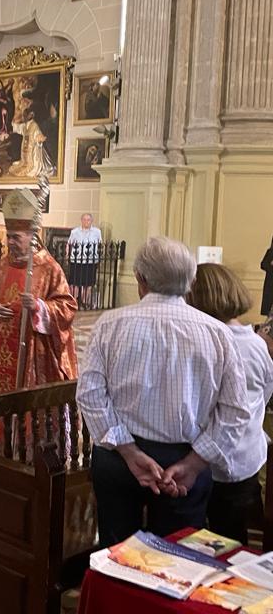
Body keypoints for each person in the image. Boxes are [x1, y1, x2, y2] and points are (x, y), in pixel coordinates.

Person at [76, 237, 250, 546]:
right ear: (191, 281)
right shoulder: (219, 334)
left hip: (119, 457)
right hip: (185, 457)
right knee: (178, 556)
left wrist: (129, 452)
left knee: (118, 553)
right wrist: (195, 463)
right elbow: (235, 411)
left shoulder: (109, 325)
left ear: (140, 279)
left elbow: (90, 395)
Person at [186, 263, 273, 545]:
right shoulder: (257, 344)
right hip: (245, 459)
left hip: (204, 462)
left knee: (198, 539)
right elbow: (265, 392)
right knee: (233, 540)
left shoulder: (203, 342)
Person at [0, 190, 78, 394]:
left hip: (33, 349)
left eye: (16, 237)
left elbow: (67, 308)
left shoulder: (49, 268)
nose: (10, 242)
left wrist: (39, 307)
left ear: (32, 236)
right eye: (8, 236)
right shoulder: (2, 266)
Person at [67, 213, 103, 308]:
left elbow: (100, 245)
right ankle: (74, 301)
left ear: (91, 221)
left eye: (88, 220)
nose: (86, 222)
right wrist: (68, 256)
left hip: (90, 261)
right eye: (84, 219)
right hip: (77, 260)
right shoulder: (74, 232)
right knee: (74, 282)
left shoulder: (97, 232)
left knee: (88, 283)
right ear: (81, 220)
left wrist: (99, 259)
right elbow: (69, 244)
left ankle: (85, 302)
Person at [260, 235, 273, 316]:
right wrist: (271, 265)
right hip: (270, 282)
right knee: (269, 303)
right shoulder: (270, 252)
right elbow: (263, 265)